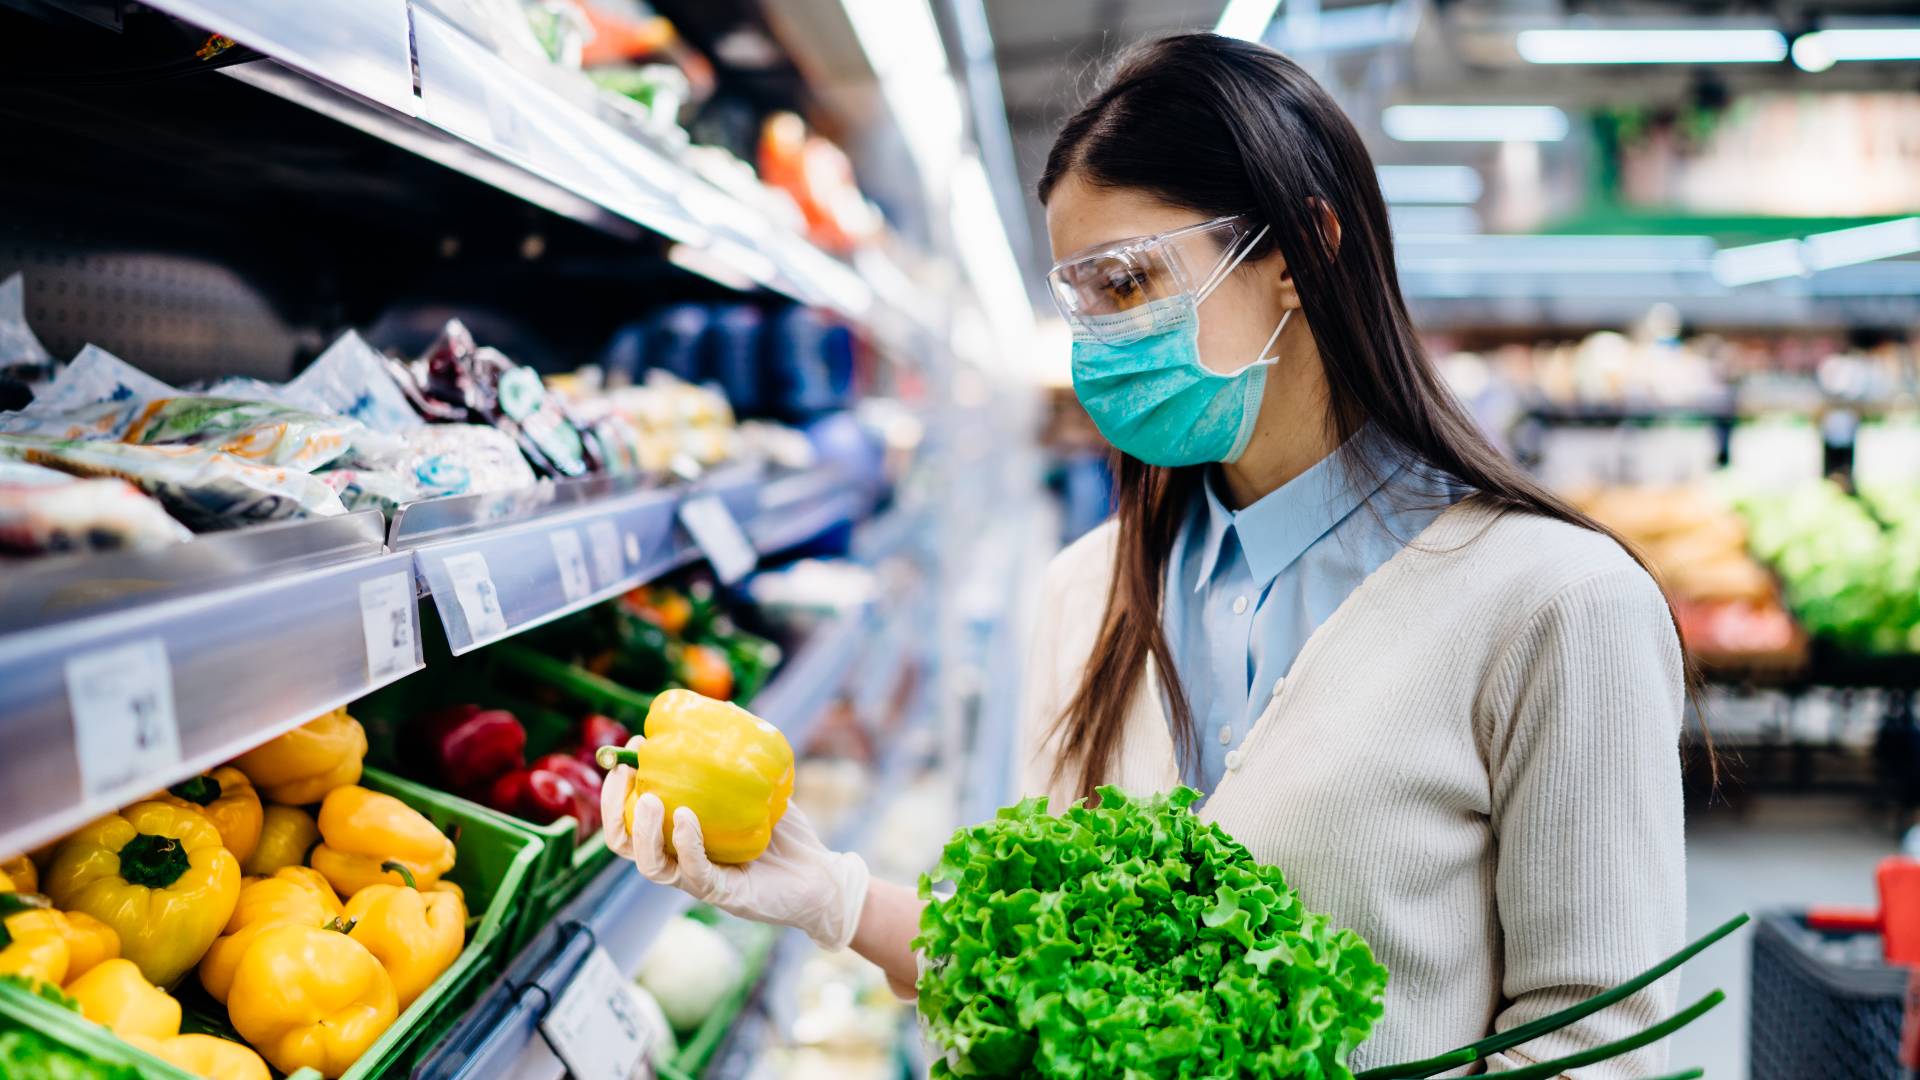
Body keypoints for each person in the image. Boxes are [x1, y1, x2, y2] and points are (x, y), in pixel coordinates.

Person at [602, 33, 1691, 1073]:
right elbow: (1049, 991)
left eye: (1128, 281)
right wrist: (835, 899)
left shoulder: (1556, 606)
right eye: (1079, 300)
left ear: (1301, 253)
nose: (1101, 343)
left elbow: (1601, 1049)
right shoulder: (1086, 591)